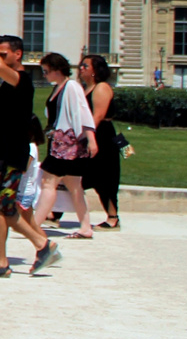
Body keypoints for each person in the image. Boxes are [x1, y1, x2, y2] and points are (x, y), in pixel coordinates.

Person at [0, 35, 60, 277]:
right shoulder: (8, 83)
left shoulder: (22, 81)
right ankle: (10, 254)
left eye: (4, 53)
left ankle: (20, 254)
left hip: (10, 154)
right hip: (0, 154)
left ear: (18, 54)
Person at [33, 52, 97, 238]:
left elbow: (83, 113)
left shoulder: (71, 87)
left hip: (66, 145)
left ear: (56, 70)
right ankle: (85, 226)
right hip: (64, 144)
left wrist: (91, 139)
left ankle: (35, 224)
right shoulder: (61, 87)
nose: (44, 75)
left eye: (46, 71)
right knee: (74, 186)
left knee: (48, 182)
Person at [79, 54, 122, 232]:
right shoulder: (86, 88)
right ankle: (56, 212)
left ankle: (113, 218)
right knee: (76, 176)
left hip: (101, 137)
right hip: (91, 135)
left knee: (105, 177)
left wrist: (84, 137)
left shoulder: (101, 88)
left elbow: (98, 116)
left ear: (96, 70)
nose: (81, 68)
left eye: (85, 66)